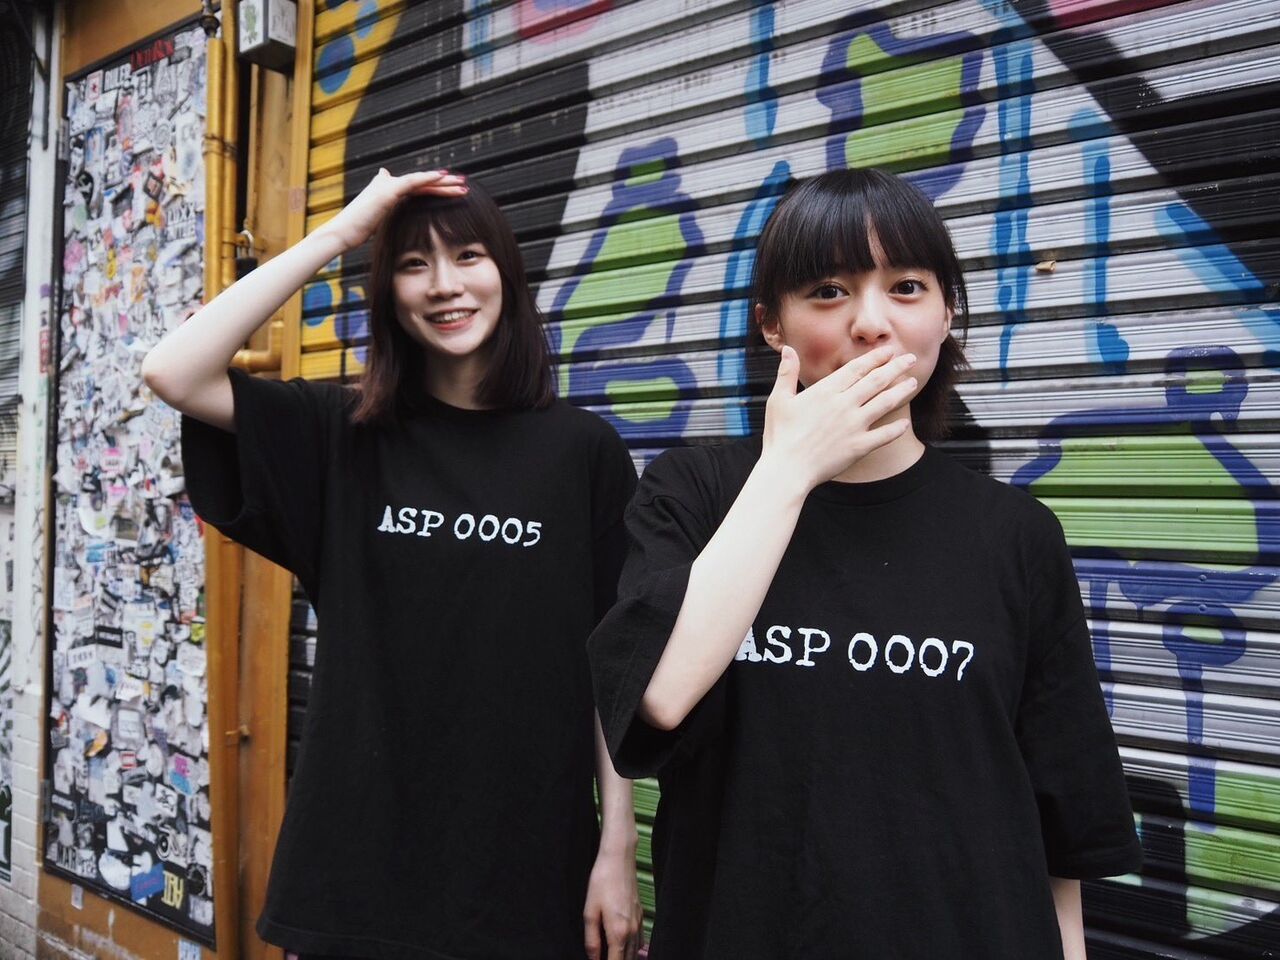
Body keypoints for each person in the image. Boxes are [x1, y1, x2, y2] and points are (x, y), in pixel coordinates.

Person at [588, 168, 1142, 959]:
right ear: (771, 325)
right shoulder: (694, 494)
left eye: (907, 288)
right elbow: (661, 696)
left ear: (947, 314)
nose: (872, 323)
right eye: (828, 291)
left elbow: (1060, 824)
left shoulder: (1016, 536)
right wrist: (789, 469)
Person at [143, 169, 643, 960]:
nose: (444, 285)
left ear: (506, 272)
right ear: (390, 294)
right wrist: (344, 231)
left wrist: (617, 847)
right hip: (356, 872)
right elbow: (173, 371)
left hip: (528, 873)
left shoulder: (584, 453)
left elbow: (612, 664)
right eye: (414, 263)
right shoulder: (343, 434)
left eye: (468, 256)